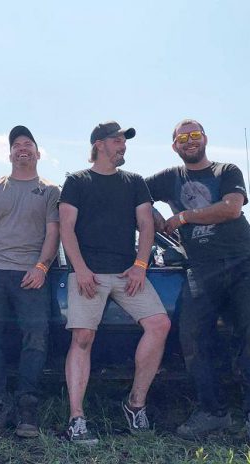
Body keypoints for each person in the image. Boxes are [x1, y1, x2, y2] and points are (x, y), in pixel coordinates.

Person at [145, 119, 250, 451]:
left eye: (195, 135)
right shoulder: (168, 178)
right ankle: (212, 411)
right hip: (200, 268)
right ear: (174, 145)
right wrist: (154, 217)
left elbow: (232, 208)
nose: (189, 141)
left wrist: (183, 217)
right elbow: (131, 192)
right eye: (182, 137)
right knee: (192, 337)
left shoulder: (226, 170)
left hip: (243, 261)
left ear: (205, 139)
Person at [59, 121, 171, 444]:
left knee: (160, 324)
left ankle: (135, 404)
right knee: (82, 337)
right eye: (117, 139)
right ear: (99, 144)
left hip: (127, 272)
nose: (123, 145)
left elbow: (146, 224)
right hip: (88, 272)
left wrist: (140, 265)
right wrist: (79, 268)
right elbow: (67, 228)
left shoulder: (134, 182)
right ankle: (76, 419)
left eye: (124, 140)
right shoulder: (76, 181)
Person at [0, 125, 60, 439]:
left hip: (31, 276)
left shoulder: (51, 190)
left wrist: (41, 267)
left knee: (35, 339)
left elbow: (53, 233)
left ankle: (27, 406)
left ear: (37, 153)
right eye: (17, 145)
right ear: (10, 154)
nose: (22, 148)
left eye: (28, 144)